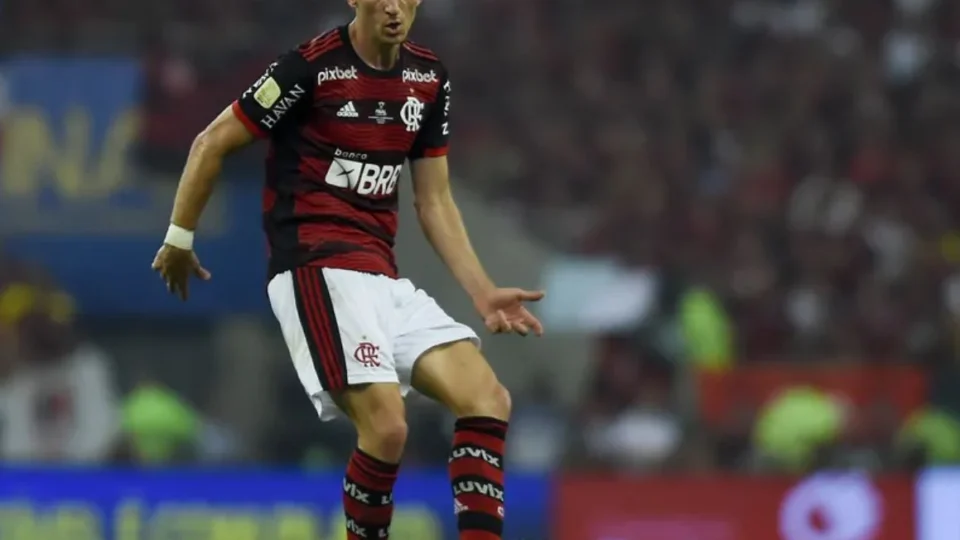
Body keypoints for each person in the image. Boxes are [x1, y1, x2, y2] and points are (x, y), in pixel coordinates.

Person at [151, 1, 543, 538]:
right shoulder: (309, 69)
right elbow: (211, 142)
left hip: (382, 277)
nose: (393, 6)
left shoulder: (427, 78)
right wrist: (179, 236)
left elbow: (434, 201)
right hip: (315, 268)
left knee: (488, 398)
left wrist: (482, 292)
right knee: (386, 427)